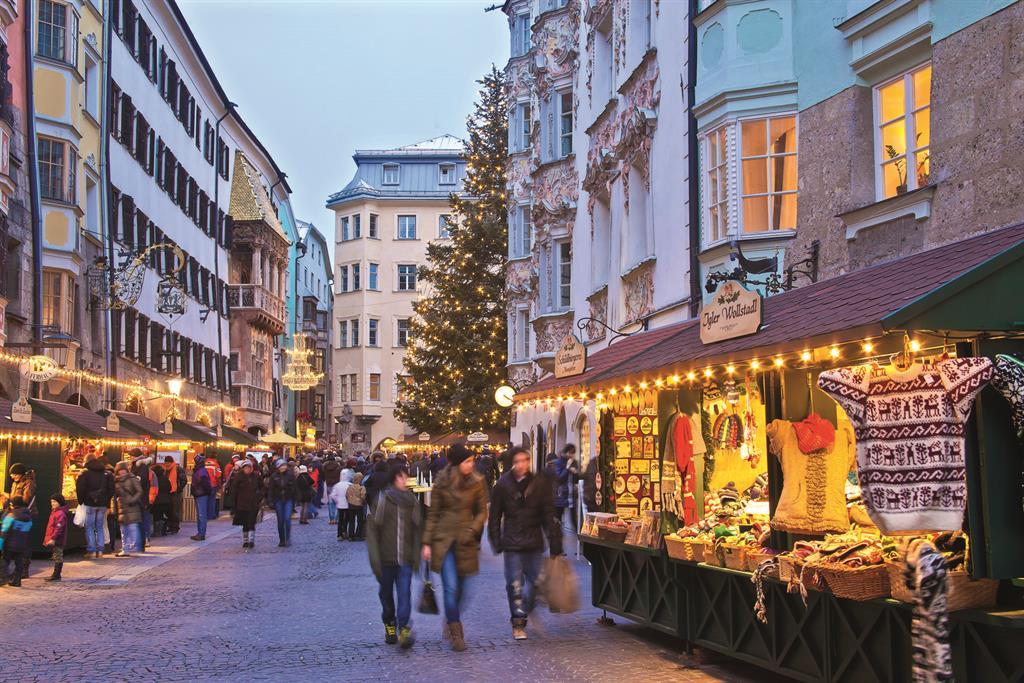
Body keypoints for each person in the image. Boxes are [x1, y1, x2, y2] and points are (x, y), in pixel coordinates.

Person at [488, 447, 563, 640]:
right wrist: (495, 539)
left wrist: (555, 542)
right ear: (513, 463)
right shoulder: (503, 484)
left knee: (538, 582)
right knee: (514, 585)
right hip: (512, 542)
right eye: (518, 461)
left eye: (525, 461)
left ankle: (526, 609)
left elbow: (548, 513)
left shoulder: (539, 483)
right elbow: (495, 514)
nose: (522, 465)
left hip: (533, 541)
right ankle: (518, 622)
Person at [422, 443, 488, 652]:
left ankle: (451, 617)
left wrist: (473, 529)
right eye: (468, 461)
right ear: (459, 463)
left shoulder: (477, 482)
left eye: (472, 461)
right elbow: (433, 514)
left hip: (466, 541)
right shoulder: (442, 482)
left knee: (464, 589)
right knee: (450, 587)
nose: (472, 464)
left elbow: (482, 512)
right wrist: (426, 542)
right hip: (445, 540)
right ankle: (456, 630)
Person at [367, 462, 421, 649]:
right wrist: (375, 560)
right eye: (400, 476)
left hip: (405, 558)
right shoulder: (382, 500)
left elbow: (417, 530)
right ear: (393, 479)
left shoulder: (412, 501)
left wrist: (418, 554)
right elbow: (372, 532)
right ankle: (389, 623)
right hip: (385, 558)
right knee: (386, 595)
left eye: (406, 476)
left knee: (405, 593)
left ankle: (404, 627)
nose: (404, 480)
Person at [75, 455, 114, 559]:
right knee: (100, 526)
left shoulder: (85, 473)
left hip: (90, 503)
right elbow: (111, 490)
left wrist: (81, 501)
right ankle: (100, 551)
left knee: (90, 527)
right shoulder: (107, 474)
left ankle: (92, 551)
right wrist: (106, 500)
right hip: (102, 504)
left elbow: (80, 488)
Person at [225, 459, 264, 549]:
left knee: (251, 522)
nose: (247, 469)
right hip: (241, 504)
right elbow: (234, 490)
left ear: (251, 468)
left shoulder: (256, 476)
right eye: (245, 468)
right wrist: (233, 503)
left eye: (248, 467)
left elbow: (262, 487)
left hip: (253, 503)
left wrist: (259, 496)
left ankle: (251, 540)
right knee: (245, 523)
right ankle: (245, 540)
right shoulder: (239, 477)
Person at [0, 496, 32, 587]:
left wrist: (0, 545)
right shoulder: (28, 516)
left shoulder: (11, 515)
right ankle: (17, 581)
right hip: (22, 544)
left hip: (9, 544)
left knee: (4, 560)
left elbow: (4, 531)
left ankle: (3, 578)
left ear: (13, 505)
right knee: (19, 562)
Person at [114, 462, 143, 557]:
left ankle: (134, 547)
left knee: (133, 528)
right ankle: (125, 549)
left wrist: (132, 500)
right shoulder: (116, 481)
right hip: (121, 508)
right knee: (123, 530)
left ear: (127, 470)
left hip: (132, 507)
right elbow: (115, 495)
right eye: (120, 471)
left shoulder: (132, 479)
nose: (122, 473)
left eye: (123, 471)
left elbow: (139, 491)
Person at [267, 459, 297, 547]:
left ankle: (287, 538)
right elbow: (271, 489)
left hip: (288, 499)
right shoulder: (274, 476)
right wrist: (270, 501)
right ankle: (282, 539)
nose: (283, 467)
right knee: (280, 520)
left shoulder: (290, 475)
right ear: (278, 467)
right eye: (281, 465)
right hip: (278, 500)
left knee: (287, 518)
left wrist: (295, 498)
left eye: (284, 465)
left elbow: (295, 487)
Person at [43, 494, 70, 582]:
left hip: (58, 539)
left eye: (54, 502)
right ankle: (56, 574)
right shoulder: (55, 512)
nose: (52, 503)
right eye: (51, 502)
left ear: (59, 502)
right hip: (55, 538)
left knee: (58, 555)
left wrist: (53, 538)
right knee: (56, 555)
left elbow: (59, 527)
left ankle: (56, 574)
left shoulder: (60, 513)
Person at [191, 454, 213, 541]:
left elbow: (205, 483)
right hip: (200, 494)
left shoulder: (201, 471)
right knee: (200, 515)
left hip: (201, 494)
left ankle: (201, 533)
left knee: (201, 515)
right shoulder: (201, 470)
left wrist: (205, 491)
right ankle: (200, 532)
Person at [161, 456, 186, 535]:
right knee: (169, 510)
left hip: (176, 493)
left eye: (167, 462)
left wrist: (179, 489)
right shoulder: (164, 470)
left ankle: (175, 527)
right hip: (167, 493)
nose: (166, 464)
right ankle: (170, 526)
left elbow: (183, 480)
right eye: (165, 462)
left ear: (171, 462)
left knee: (175, 511)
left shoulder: (178, 469)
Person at [150, 463, 172, 536]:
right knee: (163, 515)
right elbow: (170, 488)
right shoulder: (165, 478)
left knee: (156, 515)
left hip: (156, 500)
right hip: (166, 500)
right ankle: (163, 531)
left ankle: (157, 531)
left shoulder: (154, 479)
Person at [330, 471, 352, 541]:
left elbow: (332, 495)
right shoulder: (349, 485)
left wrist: (337, 500)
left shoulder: (337, 485)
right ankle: (345, 531)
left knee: (340, 520)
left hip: (340, 505)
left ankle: (339, 534)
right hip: (348, 504)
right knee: (347, 519)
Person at [346, 472, 366, 541]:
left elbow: (347, 496)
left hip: (351, 505)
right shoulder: (361, 487)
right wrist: (363, 502)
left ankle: (351, 535)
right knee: (360, 521)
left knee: (351, 521)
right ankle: (358, 535)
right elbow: (363, 496)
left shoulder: (350, 487)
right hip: (359, 506)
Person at [322, 456, 342, 525]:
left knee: (330, 503)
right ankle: (337, 518)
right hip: (337, 485)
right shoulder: (338, 467)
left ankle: (332, 518)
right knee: (338, 502)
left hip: (329, 485)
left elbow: (323, 476)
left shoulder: (325, 467)